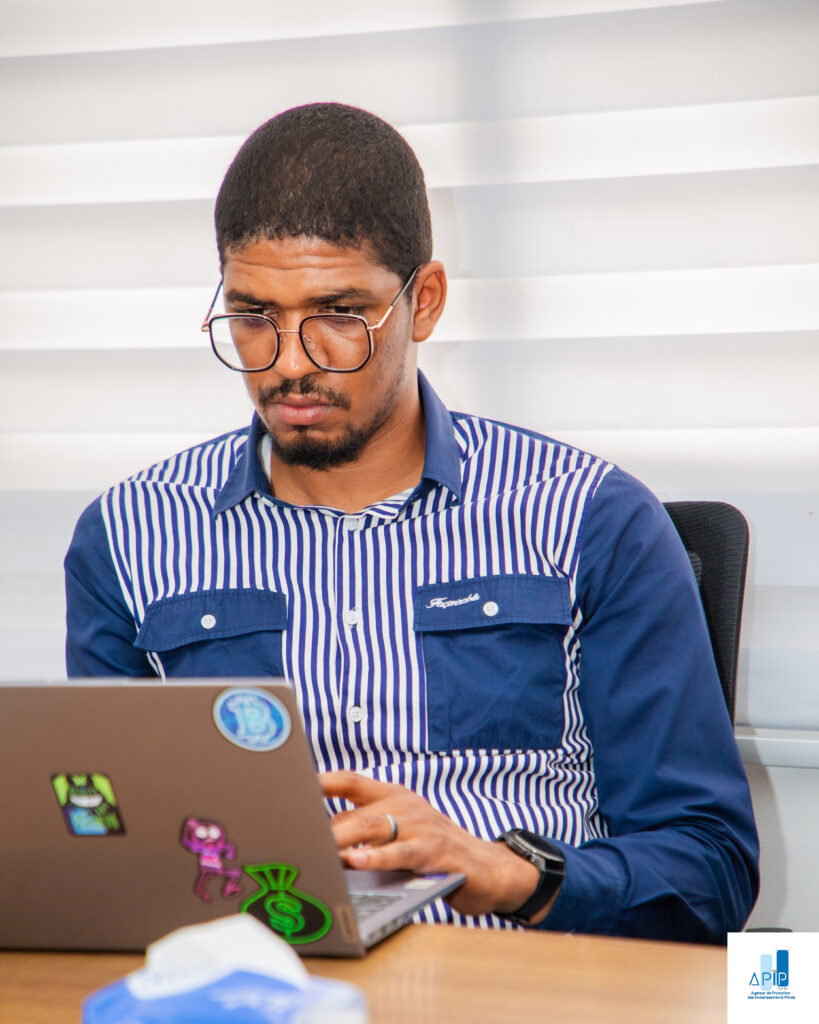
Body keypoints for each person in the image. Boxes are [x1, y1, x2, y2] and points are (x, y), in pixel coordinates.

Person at [65, 102, 758, 941]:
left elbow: (708, 867)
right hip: (265, 977)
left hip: (517, 975)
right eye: (253, 317)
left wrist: (506, 874)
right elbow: (99, 839)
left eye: (338, 314)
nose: (289, 364)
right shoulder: (128, 538)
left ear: (423, 301)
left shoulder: (588, 518)